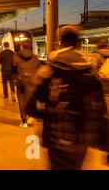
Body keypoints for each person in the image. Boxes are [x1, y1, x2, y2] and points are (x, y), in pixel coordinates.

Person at [28, 25, 108, 170]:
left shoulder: (50, 69)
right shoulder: (90, 71)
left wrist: (44, 115)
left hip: (56, 135)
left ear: (60, 42)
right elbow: (100, 108)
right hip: (81, 138)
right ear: (77, 42)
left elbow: (31, 105)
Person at [13, 39, 41, 129]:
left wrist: (14, 78)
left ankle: (24, 122)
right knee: (30, 99)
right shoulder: (35, 57)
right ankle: (31, 115)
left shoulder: (16, 56)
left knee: (21, 101)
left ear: (22, 46)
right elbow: (38, 68)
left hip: (20, 80)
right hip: (31, 81)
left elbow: (13, 68)